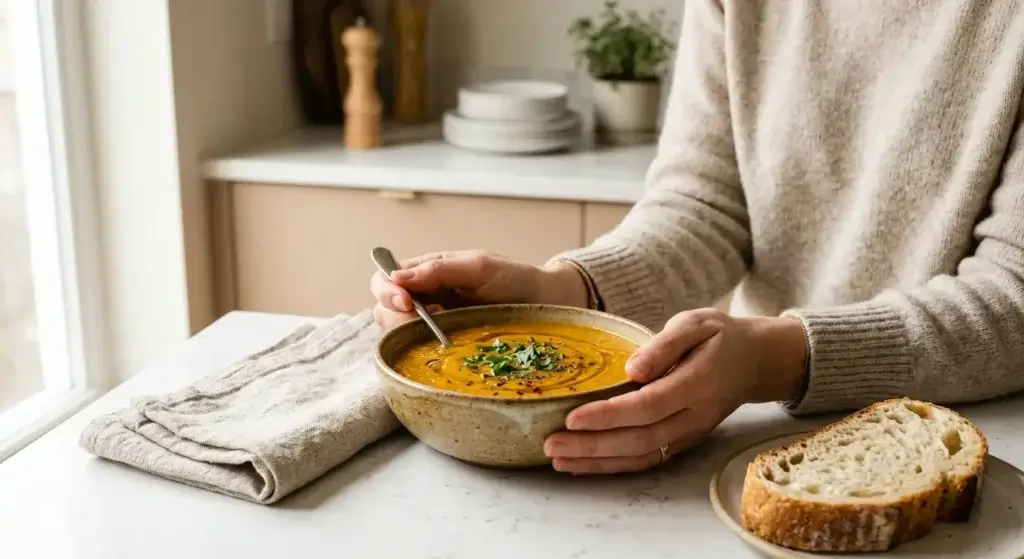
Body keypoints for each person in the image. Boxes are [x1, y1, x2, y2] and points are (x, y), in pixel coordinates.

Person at [371, 0, 1024, 475]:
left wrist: (774, 360)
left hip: (980, 445)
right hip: (766, 436)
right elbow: (706, 205)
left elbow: (1013, 294)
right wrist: (565, 290)